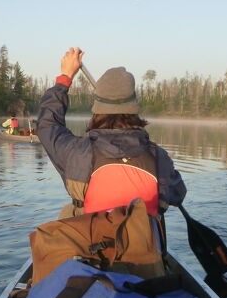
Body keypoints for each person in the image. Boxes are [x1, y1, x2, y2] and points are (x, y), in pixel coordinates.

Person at [37, 47, 186, 219]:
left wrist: (65, 79)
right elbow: (178, 195)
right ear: (134, 108)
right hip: (142, 243)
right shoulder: (159, 158)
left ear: (97, 109)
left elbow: (47, 125)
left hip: (90, 243)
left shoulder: (77, 152)